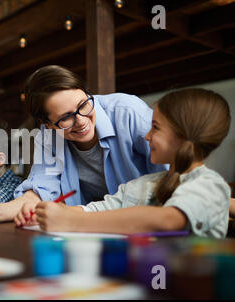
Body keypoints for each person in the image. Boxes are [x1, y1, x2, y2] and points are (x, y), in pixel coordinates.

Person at [0, 65, 167, 224]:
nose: (81, 120)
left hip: (148, 223)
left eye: (83, 105)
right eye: (66, 118)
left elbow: (173, 175)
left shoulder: (128, 113)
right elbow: (38, 192)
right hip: (92, 227)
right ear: (48, 124)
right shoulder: (48, 137)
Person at [18, 88, 231, 238]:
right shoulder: (143, 184)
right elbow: (97, 209)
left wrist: (71, 221)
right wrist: (45, 214)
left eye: (155, 127)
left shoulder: (209, 185)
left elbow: (167, 220)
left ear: (182, 135)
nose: (146, 136)